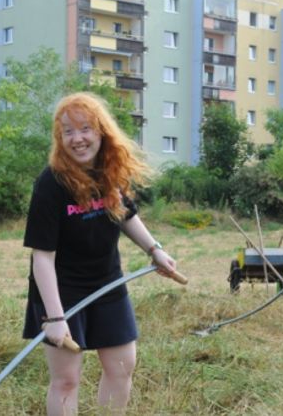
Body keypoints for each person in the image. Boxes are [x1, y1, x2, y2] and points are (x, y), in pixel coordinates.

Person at [22, 92, 178, 415]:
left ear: (101, 131)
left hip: (107, 283)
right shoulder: (50, 183)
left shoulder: (109, 171)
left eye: (85, 129)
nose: (77, 139)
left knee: (123, 367)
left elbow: (126, 214)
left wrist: (155, 250)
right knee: (66, 380)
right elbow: (42, 258)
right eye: (68, 132)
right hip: (61, 292)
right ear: (59, 137)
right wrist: (54, 317)